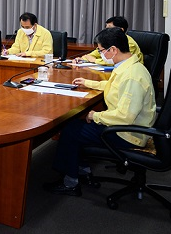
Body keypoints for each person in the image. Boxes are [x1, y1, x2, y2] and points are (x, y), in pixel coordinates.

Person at [44, 27, 156, 196]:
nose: (100, 54)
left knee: (70, 130)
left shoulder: (133, 75)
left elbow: (126, 116)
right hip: (128, 127)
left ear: (113, 50)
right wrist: (89, 83)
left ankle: (70, 183)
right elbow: (116, 87)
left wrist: (96, 116)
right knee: (75, 126)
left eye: (101, 50)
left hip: (128, 134)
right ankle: (83, 171)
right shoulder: (129, 66)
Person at [75, 16, 143, 65]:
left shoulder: (130, 44)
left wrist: (94, 60)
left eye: (110, 28)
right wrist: (82, 58)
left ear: (121, 30)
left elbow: (116, 61)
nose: (106, 31)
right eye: (106, 28)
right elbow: (94, 54)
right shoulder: (108, 41)